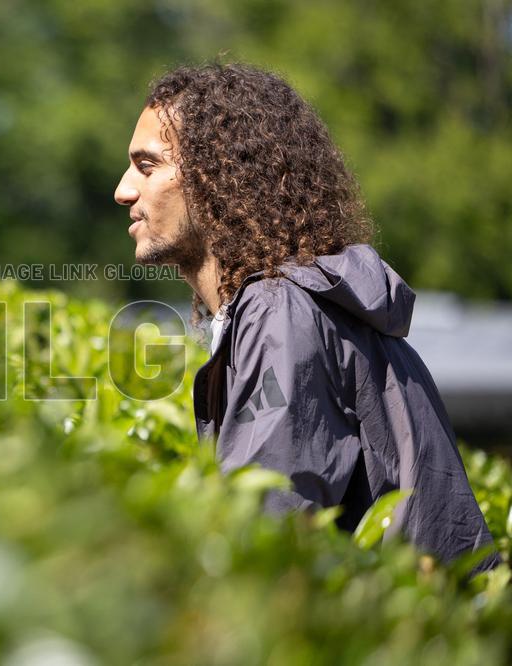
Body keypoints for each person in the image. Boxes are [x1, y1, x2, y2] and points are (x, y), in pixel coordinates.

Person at [113, 62, 500, 575]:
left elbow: (265, 536)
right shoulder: (294, 307)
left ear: (218, 173)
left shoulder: (280, 311)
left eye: (146, 165)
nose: (123, 190)